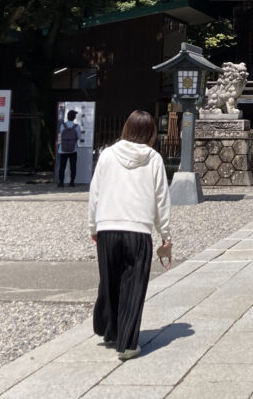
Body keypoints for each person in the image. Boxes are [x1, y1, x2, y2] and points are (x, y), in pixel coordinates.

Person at [88, 110, 171, 361]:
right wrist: (165, 233)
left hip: (108, 226)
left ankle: (111, 331)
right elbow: (161, 198)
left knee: (110, 280)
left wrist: (93, 226)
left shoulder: (108, 155)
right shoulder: (153, 158)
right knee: (133, 285)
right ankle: (127, 343)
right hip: (138, 228)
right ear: (150, 133)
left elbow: (95, 191)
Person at [56, 109, 83, 187]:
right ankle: (72, 182)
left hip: (63, 149)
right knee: (73, 166)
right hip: (73, 149)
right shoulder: (76, 127)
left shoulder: (62, 126)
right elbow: (78, 137)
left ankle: (61, 182)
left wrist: (61, 144)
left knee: (62, 166)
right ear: (74, 117)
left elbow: (60, 136)